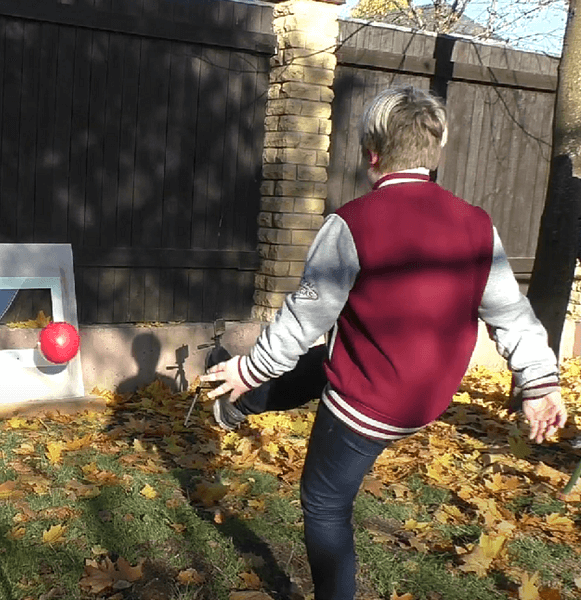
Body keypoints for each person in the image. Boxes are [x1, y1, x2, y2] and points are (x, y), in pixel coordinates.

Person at [200, 85, 568, 600]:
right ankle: (241, 404)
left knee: (325, 503)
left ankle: (241, 393)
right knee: (324, 357)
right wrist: (538, 382)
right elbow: (511, 313)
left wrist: (247, 368)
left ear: (371, 154)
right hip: (426, 400)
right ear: (436, 152)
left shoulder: (352, 223)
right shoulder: (478, 226)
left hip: (370, 405)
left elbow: (301, 320)